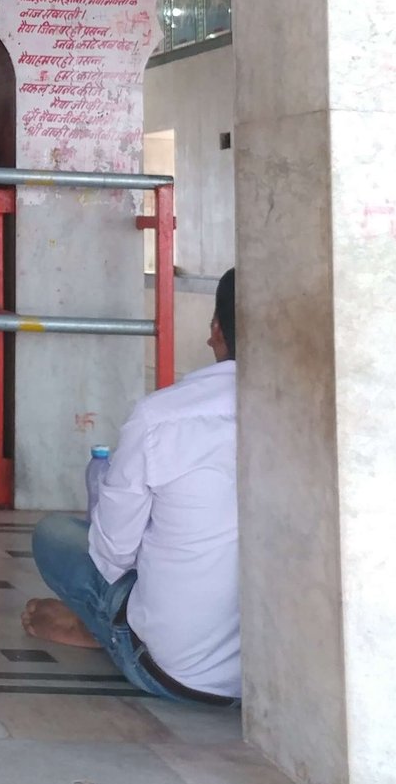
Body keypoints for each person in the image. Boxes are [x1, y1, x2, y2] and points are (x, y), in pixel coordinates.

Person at [22, 269, 240, 704]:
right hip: (268, 685)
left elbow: (112, 555)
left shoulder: (162, 417)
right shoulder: (312, 414)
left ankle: (103, 631)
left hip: (171, 671)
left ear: (216, 329)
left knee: (56, 536)